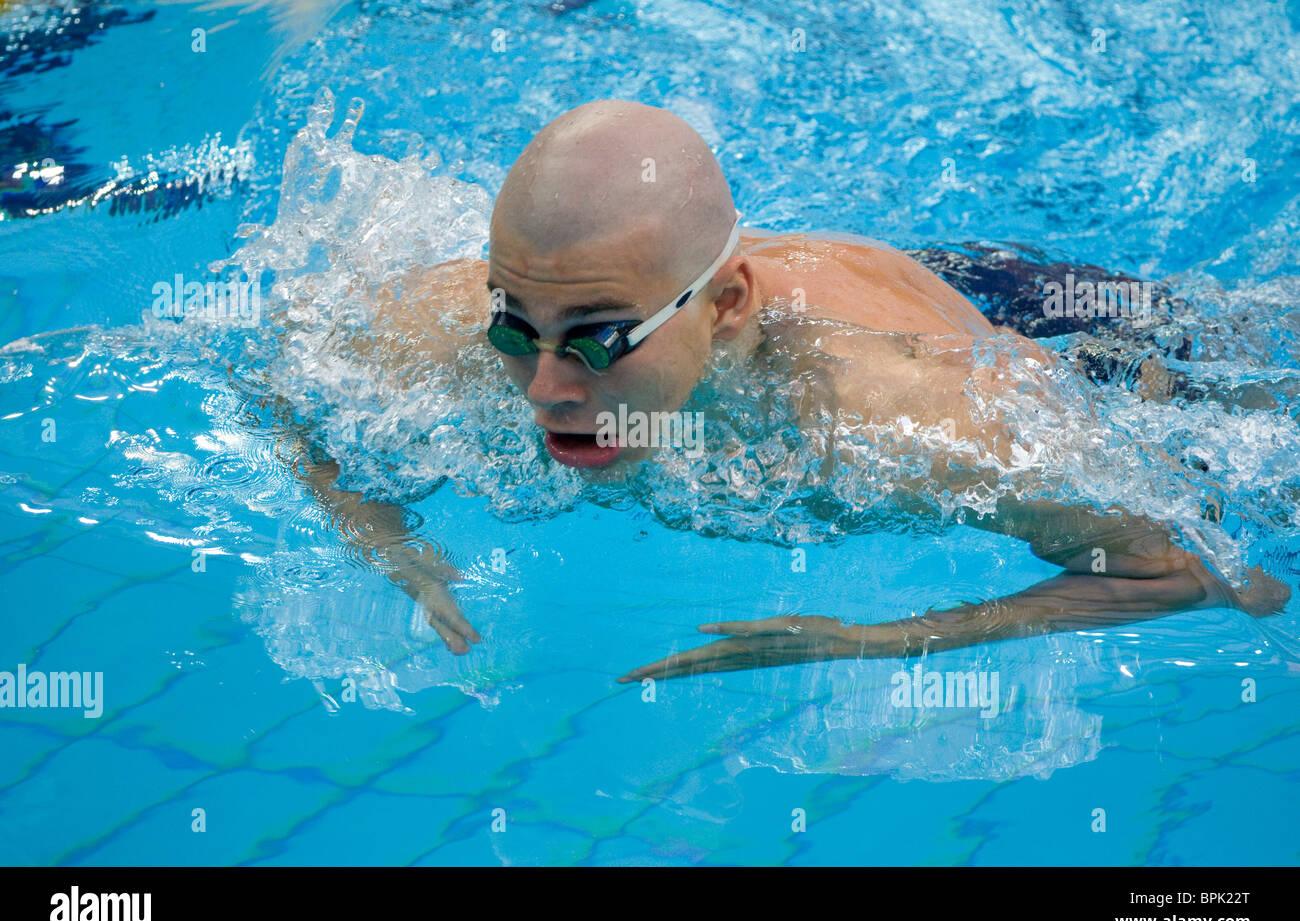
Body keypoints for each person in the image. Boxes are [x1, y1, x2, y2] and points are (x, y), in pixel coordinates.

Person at [282, 99, 1289, 684]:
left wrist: (876, 639)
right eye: (515, 330)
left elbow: (1195, 569)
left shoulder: (907, 417)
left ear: (722, 305)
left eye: (593, 342)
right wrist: (384, 539)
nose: (544, 387)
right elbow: (275, 375)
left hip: (1062, 330)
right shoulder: (482, 317)